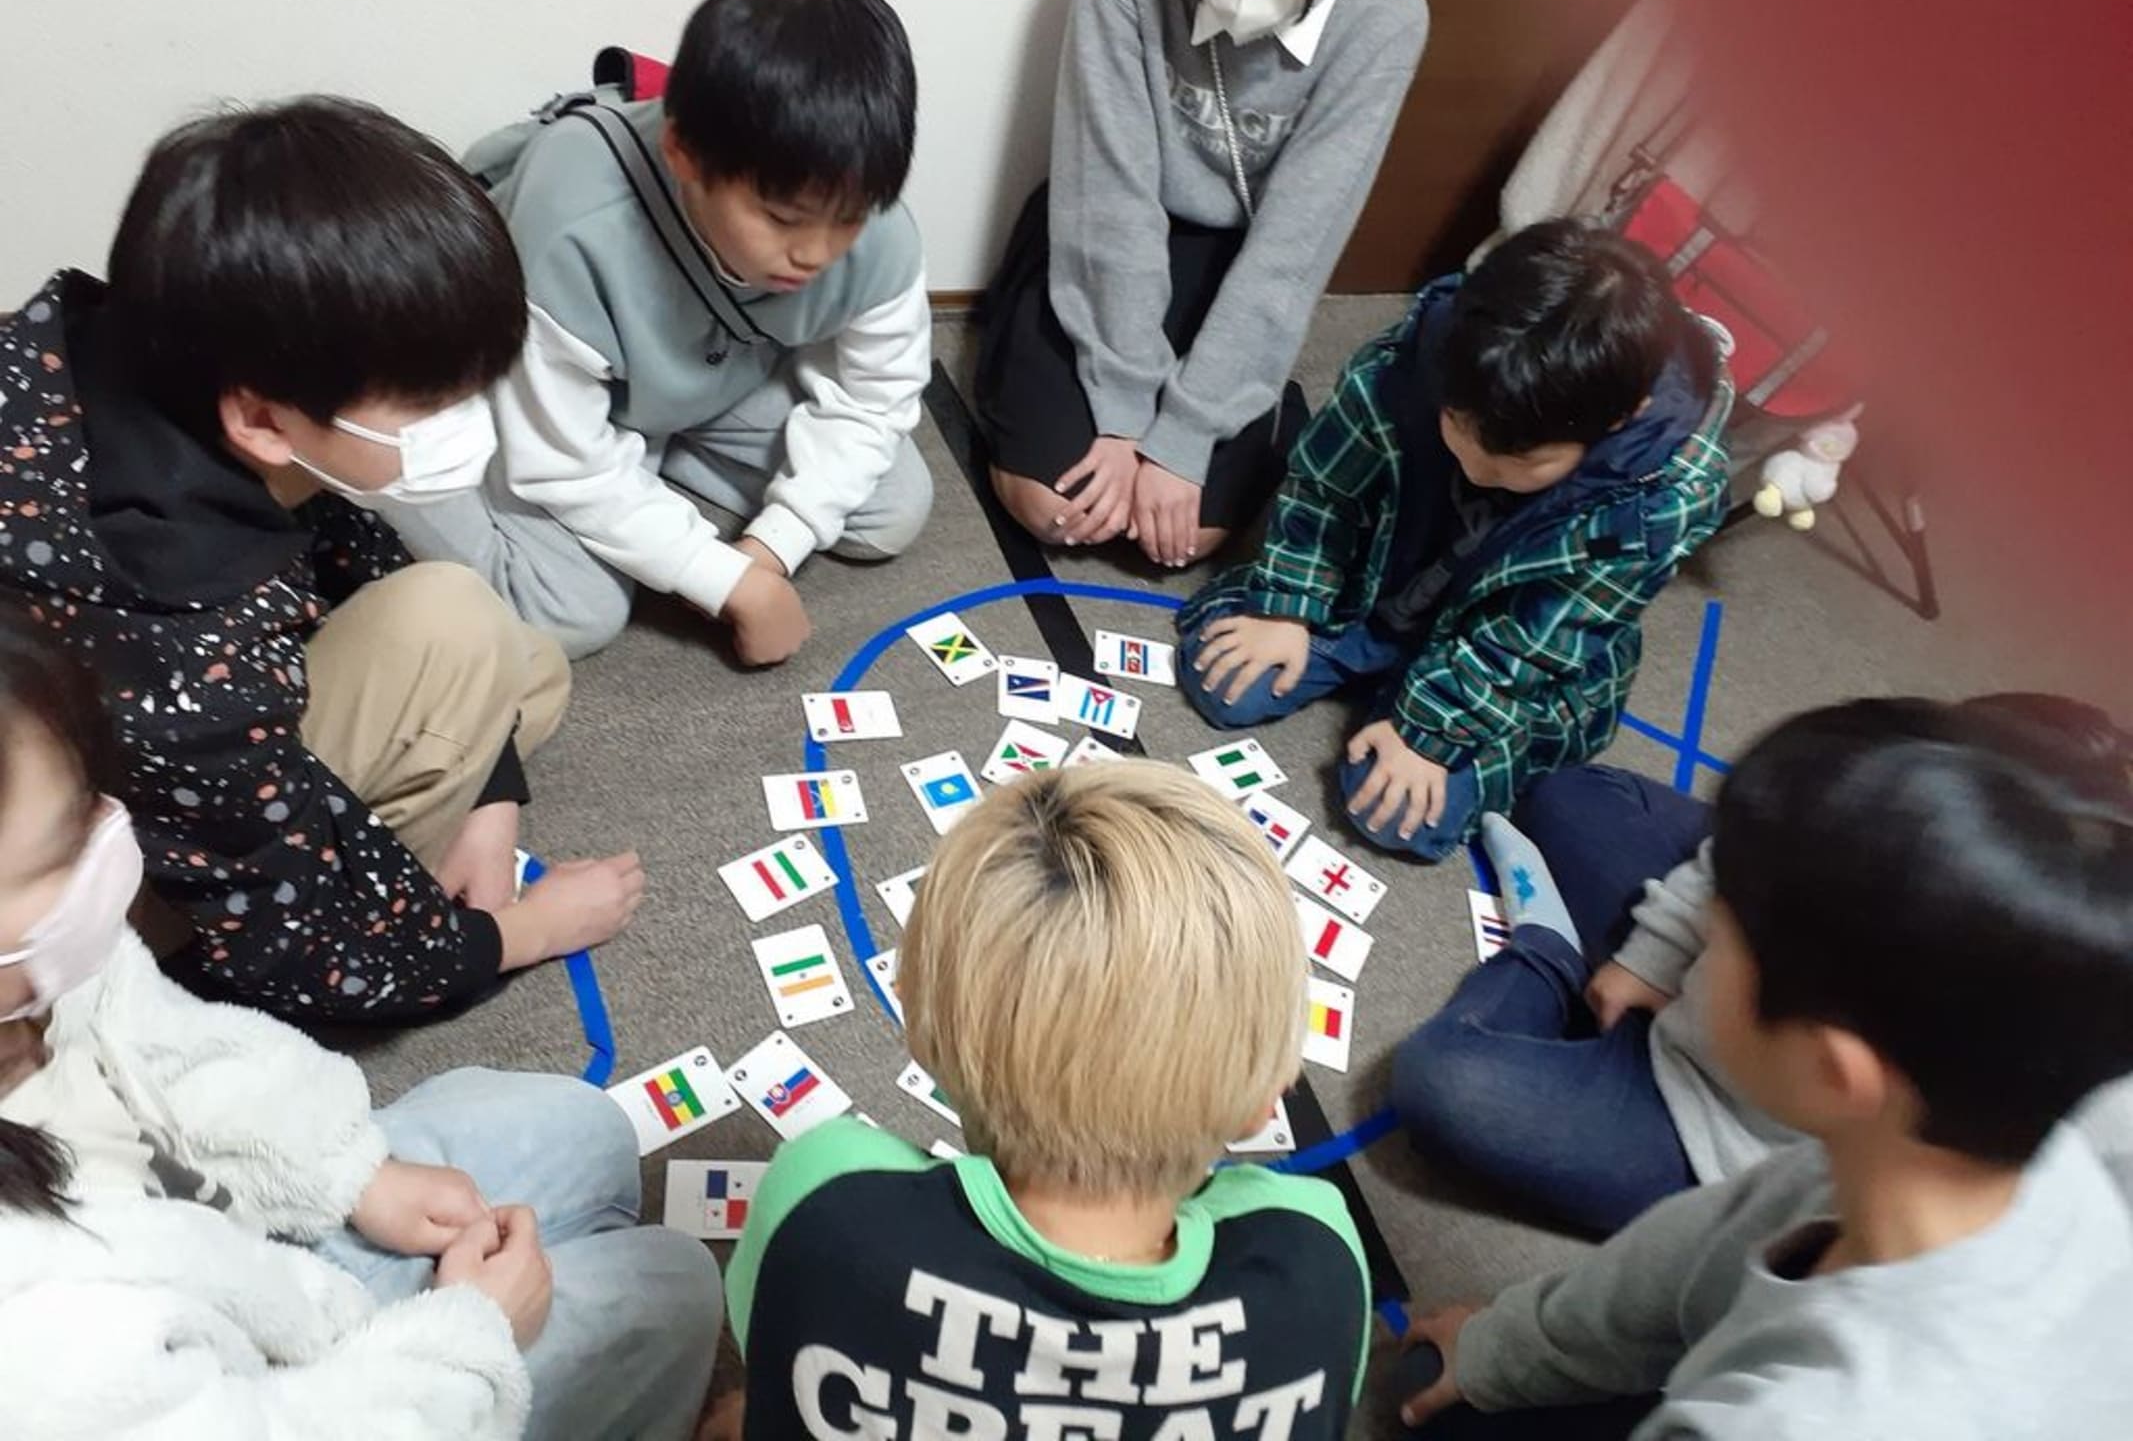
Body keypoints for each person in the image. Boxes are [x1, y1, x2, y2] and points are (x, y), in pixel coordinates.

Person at [0, 609, 720, 1439]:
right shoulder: (48, 1348)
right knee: (673, 1286)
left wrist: (350, 1170)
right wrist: (471, 1339)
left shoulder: (44, 968)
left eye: (87, 801)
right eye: (60, 846)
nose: (109, 837)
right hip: (293, 1393)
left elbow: (170, 1046)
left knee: (584, 1127)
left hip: (240, 1252)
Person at [0, 97, 641, 1025]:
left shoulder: (123, 353)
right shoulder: (182, 642)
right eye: (430, 406)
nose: (467, 427)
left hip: (142, 722)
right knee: (459, 628)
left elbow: (352, 552)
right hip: (92, 900)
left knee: (522, 664)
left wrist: (491, 799)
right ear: (261, 421)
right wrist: (519, 933)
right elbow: (300, 955)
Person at [1396, 698, 2133, 1438]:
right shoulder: (1950, 1129)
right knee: (1580, 799)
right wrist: (1509, 1348)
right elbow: (1704, 1242)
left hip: (1696, 1119)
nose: (1703, 936)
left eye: (1721, 934)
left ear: (1832, 1070)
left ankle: (1551, 959)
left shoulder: (1801, 1418)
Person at [724, 763, 1370, 1438]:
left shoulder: (826, 1199)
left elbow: (773, 1345)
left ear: (920, 1028)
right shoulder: (1316, 1261)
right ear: (1267, 1100)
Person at [389, 0, 933, 664]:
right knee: (574, 613)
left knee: (893, 507)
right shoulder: (573, 226)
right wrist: (723, 580)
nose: (815, 253)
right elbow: (560, 461)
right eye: (781, 218)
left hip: (708, 375)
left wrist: (771, 547)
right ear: (684, 155)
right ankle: (395, 476)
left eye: (849, 219)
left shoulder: (877, 229)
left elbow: (877, 399)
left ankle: (648, 467)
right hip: (551, 395)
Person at [1177, 219, 1732, 860]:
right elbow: (1324, 490)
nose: (1478, 471)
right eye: (1457, 429)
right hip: (1381, 584)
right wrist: (1286, 609)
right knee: (1224, 680)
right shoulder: (1423, 354)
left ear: (1622, 417)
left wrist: (1430, 734)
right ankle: (1376, 675)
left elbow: (1532, 646)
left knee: (1398, 817)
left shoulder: (1664, 496)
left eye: (1520, 464)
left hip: (1506, 655)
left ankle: (1416, 708)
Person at [976, 0, 1428, 569]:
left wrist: (1182, 441)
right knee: (1056, 510)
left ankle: (1255, 398)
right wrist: (1124, 416)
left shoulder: (1387, 17)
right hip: (1108, 241)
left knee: (1185, 539)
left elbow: (1291, 251)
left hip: (1239, 264)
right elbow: (1108, 192)